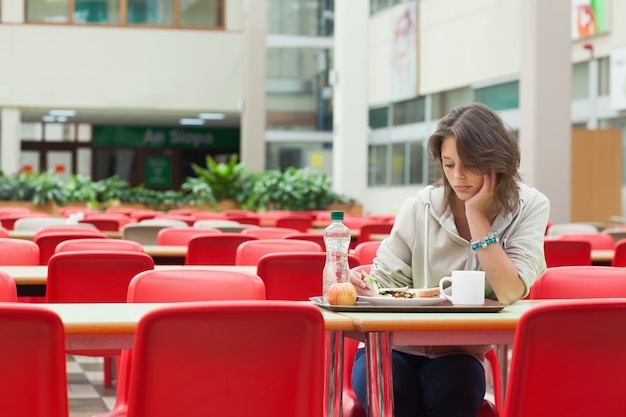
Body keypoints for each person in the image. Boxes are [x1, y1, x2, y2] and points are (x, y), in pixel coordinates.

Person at [350, 102, 550, 417]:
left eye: (468, 164)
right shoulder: (420, 207)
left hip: (460, 353)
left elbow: (510, 291)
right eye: (448, 164)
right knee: (396, 396)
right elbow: (384, 282)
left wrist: (477, 217)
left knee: (451, 395)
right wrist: (363, 284)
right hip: (391, 350)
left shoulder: (529, 206)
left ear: (496, 161)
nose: (457, 177)